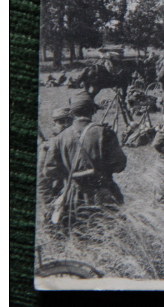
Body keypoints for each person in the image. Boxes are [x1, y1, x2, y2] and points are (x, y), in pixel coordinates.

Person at [44, 91, 127, 224]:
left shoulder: (59, 138)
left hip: (73, 195)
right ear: (93, 110)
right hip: (103, 193)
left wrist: (73, 174)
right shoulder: (105, 132)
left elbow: (49, 170)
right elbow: (120, 165)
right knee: (109, 233)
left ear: (72, 113)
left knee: (79, 235)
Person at [38, 107, 74, 204]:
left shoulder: (77, 143)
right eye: (61, 122)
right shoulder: (47, 148)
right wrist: (50, 206)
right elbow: (42, 185)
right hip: (59, 201)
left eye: (69, 121)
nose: (66, 125)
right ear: (54, 124)